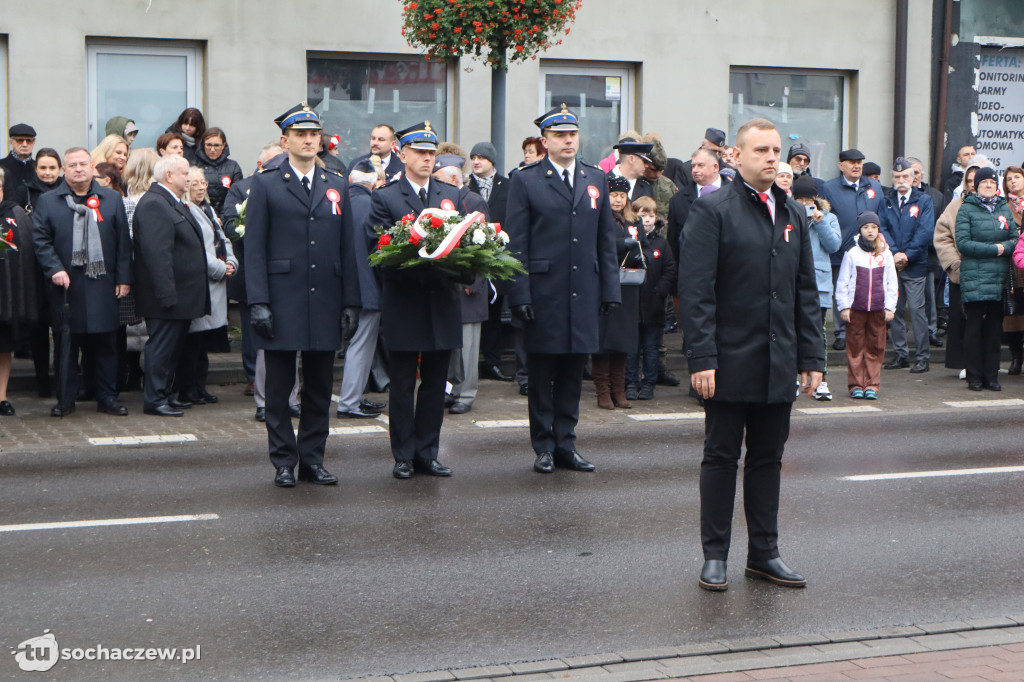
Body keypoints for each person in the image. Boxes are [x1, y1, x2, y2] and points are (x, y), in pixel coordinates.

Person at [679, 117, 824, 592]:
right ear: (734, 156)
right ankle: (715, 555)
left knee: (767, 459)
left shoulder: (792, 213)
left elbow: (805, 290)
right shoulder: (713, 210)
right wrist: (701, 358)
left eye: (775, 149)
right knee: (721, 457)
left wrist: (812, 357)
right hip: (726, 361)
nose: (770, 157)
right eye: (760, 150)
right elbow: (696, 291)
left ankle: (764, 553)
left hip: (778, 359)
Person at [245, 103, 360, 487]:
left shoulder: (336, 183)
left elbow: (348, 248)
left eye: (314, 134)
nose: (309, 140)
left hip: (325, 297)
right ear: (285, 140)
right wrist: (258, 301)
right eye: (300, 134)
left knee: (319, 387)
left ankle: (312, 458)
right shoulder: (265, 182)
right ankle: (283, 461)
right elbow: (255, 248)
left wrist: (350, 301)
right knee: (279, 390)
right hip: (282, 297)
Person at [504, 104, 621, 474]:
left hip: (584, 290)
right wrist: (518, 294)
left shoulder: (593, 178)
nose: (568, 140)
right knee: (541, 374)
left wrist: (610, 290)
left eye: (572, 134)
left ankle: (566, 443)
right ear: (545, 141)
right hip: (544, 291)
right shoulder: (526, 180)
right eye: (559, 135)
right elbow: (516, 243)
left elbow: (606, 240)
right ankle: (544, 446)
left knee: (573, 372)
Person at [366, 121, 463, 479]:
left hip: (443, 302)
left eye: (431, 153)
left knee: (437, 383)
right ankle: (403, 454)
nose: (426, 159)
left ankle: (428, 452)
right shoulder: (386, 197)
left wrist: (462, 271)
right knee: (403, 383)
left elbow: (468, 244)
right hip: (405, 302)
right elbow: (378, 251)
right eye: (419, 153)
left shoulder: (448, 193)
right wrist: (421, 267)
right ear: (402, 154)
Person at [31, 147, 132, 417]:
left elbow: (123, 242)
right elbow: (40, 240)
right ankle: (65, 400)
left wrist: (124, 278)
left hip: (103, 283)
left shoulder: (111, 199)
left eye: (83, 164)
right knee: (66, 344)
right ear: (64, 170)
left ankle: (107, 397)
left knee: (106, 343)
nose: (78, 169)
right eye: (72, 165)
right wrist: (54, 269)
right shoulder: (49, 201)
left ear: (92, 168)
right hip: (65, 285)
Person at [133, 154, 210, 417]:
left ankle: (165, 394)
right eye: (184, 173)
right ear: (169, 176)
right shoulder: (155, 203)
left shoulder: (170, 202)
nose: (189, 178)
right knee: (161, 348)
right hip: (166, 297)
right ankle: (155, 399)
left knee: (172, 350)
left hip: (181, 296)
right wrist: (167, 293)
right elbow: (158, 255)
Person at [222, 144, 286, 403]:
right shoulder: (241, 188)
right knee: (251, 327)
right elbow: (229, 223)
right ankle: (252, 375)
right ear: (261, 165)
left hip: (282, 271)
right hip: (250, 268)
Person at [177, 166, 237, 404]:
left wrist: (231, 261)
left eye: (203, 183)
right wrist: (221, 268)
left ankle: (199, 386)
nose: (201, 187)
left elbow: (222, 238)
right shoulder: (187, 210)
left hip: (216, 280)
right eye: (194, 183)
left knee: (203, 342)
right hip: (203, 282)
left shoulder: (208, 208)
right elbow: (199, 249)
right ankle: (188, 388)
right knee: (192, 343)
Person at [955, 166, 1018, 391]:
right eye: (984, 183)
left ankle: (992, 376)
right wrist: (996, 249)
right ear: (977, 186)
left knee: (994, 329)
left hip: (999, 278)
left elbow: (1014, 237)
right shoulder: (967, 209)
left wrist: (1005, 247)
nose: (989, 186)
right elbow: (963, 243)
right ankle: (974, 376)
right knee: (974, 328)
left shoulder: (1003, 207)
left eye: (992, 182)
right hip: (975, 277)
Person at [335, 158, 386, 419]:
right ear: (373, 183)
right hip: (367, 289)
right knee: (361, 346)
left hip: (337, 287)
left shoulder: (339, 204)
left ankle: (353, 397)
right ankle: (350, 402)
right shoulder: (373, 206)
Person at [820, 148, 885, 351]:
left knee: (867, 289)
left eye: (859, 162)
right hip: (842, 251)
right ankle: (840, 333)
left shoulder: (873, 186)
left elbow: (882, 216)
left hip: (869, 251)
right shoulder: (829, 188)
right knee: (843, 290)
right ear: (841, 166)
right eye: (851, 163)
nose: (856, 166)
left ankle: (863, 332)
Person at [592, 174, 647, 410]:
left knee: (623, 341)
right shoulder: (599, 219)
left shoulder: (634, 222)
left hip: (628, 288)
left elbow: (644, 247)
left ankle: (619, 390)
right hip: (605, 285)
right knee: (604, 341)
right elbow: (597, 247)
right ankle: (603, 392)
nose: (617, 200)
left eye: (621, 196)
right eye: (613, 195)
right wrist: (620, 245)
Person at [880, 157, 935, 374]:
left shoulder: (924, 201)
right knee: (894, 310)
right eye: (897, 176)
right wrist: (894, 253)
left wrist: (906, 256)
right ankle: (901, 354)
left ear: (913, 178)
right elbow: (882, 227)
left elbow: (925, 231)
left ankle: (922, 357)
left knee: (917, 310)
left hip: (915, 264)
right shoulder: (886, 200)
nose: (901, 180)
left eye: (905, 176)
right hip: (892, 264)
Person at [835, 211, 898, 399]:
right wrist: (844, 306)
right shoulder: (852, 253)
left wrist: (890, 307)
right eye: (866, 227)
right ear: (860, 230)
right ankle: (855, 384)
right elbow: (843, 282)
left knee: (875, 347)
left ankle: (871, 384)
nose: (870, 231)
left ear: (878, 229)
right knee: (855, 347)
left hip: (878, 309)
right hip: (856, 309)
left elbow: (891, 282)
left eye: (873, 227)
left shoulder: (885, 253)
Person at [791, 173, 841, 401]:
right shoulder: (788, 216)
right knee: (790, 331)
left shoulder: (828, 218)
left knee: (818, 332)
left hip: (818, 284)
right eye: (798, 201)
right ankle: (792, 376)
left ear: (815, 199)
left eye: (807, 201)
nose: (804, 206)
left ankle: (822, 379)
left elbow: (833, 245)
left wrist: (819, 222)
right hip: (792, 282)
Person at [934, 162, 982, 376]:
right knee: (961, 318)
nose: (973, 185)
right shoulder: (955, 206)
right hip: (961, 273)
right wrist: (954, 264)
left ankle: (985, 362)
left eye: (977, 180)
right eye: (969, 180)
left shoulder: (996, 206)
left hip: (987, 273)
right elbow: (942, 236)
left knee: (985, 319)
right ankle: (963, 363)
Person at [626, 195, 676, 401]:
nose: (647, 219)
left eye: (651, 215)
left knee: (651, 348)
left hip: (653, 305)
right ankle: (630, 382)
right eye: (642, 215)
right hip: (631, 304)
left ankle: (649, 383)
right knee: (631, 349)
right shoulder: (629, 241)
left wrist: (659, 291)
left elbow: (670, 270)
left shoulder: (662, 244)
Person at [0, 170, 41, 415]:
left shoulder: (14, 213)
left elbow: (23, 251)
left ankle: (1, 397)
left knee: (3, 347)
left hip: (7, 295)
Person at [195, 127, 244, 218]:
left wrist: (222, 217)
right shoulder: (194, 165)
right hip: (202, 216)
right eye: (209, 145)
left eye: (217, 145)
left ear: (223, 145)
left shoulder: (233, 166)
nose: (212, 149)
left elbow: (236, 196)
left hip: (227, 215)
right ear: (203, 145)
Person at [1003, 166, 1024, 375]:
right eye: (1009, 179)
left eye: (1017, 177)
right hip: (1013, 268)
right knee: (1014, 313)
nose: (1013, 182)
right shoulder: (1005, 207)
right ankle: (1016, 356)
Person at [0, 123, 37, 209]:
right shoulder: (1, 167)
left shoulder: (39, 168)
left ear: (34, 143)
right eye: (20, 140)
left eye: (29, 141)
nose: (25, 144)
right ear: (11, 142)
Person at [26, 147, 62, 212]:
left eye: (52, 168)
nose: (47, 173)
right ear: (36, 169)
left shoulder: (69, 190)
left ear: (59, 169)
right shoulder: (26, 192)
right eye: (43, 168)